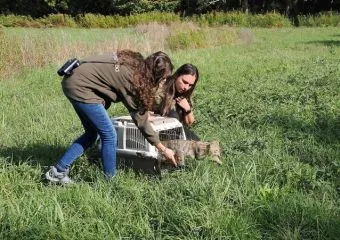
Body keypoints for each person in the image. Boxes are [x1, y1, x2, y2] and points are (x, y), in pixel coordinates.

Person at [45, 50, 177, 184]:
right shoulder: (134, 80)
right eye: (163, 78)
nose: (163, 82)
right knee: (109, 135)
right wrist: (163, 148)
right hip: (81, 88)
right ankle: (110, 181)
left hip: (73, 79)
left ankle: (58, 170)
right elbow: (141, 120)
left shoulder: (134, 62)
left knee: (92, 133)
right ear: (156, 75)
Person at [152, 63, 200, 140]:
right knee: (173, 115)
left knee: (195, 139)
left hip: (177, 131)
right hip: (157, 128)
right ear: (177, 76)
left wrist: (187, 109)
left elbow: (191, 124)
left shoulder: (186, 94)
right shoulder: (161, 88)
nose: (186, 87)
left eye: (190, 85)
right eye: (184, 82)